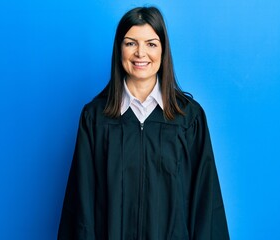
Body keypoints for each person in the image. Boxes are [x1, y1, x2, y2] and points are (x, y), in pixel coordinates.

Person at [58, 6, 229, 240]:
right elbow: (81, 206)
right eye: (130, 43)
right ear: (119, 49)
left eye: (151, 43)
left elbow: (206, 206)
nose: (140, 53)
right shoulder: (95, 119)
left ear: (163, 50)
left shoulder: (189, 119)